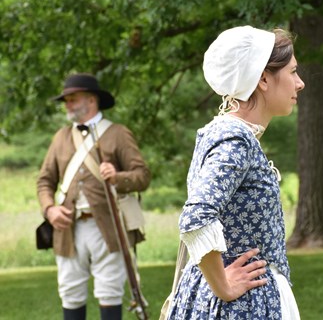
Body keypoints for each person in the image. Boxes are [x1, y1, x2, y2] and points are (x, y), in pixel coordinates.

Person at [165, 25, 305, 319]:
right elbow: (196, 216)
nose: (300, 83)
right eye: (292, 72)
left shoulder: (225, 133)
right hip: (240, 307)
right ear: (264, 78)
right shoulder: (234, 139)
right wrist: (224, 285)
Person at [37, 74, 151, 320]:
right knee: (70, 292)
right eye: (66, 100)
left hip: (108, 227)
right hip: (68, 227)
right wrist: (50, 210)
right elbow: (45, 181)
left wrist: (118, 177)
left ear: (91, 100)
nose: (67, 104)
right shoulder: (60, 138)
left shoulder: (118, 133)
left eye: (72, 99)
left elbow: (143, 176)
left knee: (110, 291)